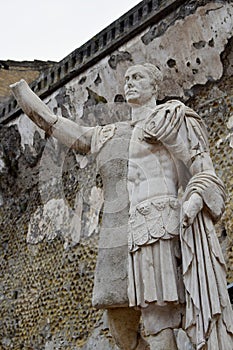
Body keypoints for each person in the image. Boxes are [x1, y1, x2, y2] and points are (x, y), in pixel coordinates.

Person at [10, 63, 233, 350]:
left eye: (138, 77)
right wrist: (25, 96)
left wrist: (195, 200)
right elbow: (66, 129)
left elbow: (202, 167)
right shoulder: (111, 133)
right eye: (126, 78)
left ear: (155, 86)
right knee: (140, 325)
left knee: (171, 316)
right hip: (135, 232)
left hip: (166, 223)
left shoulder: (171, 117)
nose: (129, 83)